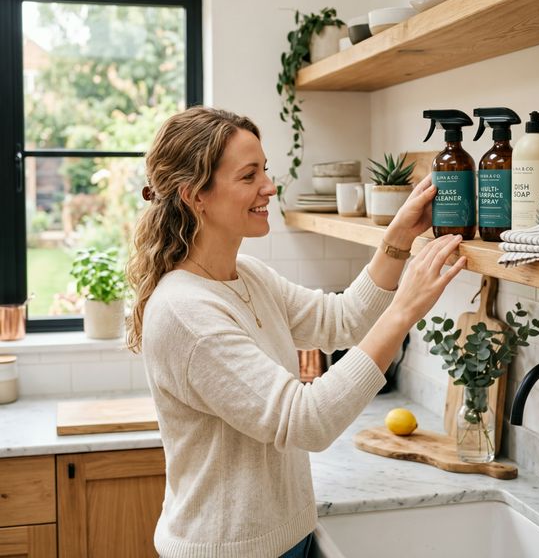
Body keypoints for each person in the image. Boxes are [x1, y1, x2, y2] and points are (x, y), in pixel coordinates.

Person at [126, 106, 466, 558]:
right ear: (195, 196)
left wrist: (398, 237)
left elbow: (342, 319)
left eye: (265, 170)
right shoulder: (185, 312)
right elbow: (305, 420)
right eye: (249, 176)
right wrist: (403, 311)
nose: (269, 186)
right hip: (230, 550)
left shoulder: (246, 276)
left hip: (289, 537)